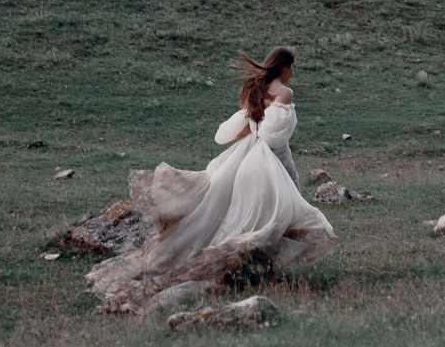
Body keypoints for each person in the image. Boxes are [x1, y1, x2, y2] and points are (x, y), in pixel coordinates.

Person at [86, 46, 337, 310]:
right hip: (268, 159)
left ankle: (248, 266)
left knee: (244, 211)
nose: (293, 72)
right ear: (284, 67)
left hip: (246, 155)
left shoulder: (256, 89)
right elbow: (275, 136)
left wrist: (254, 124)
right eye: (293, 66)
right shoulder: (285, 93)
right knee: (281, 210)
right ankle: (252, 267)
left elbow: (235, 132)